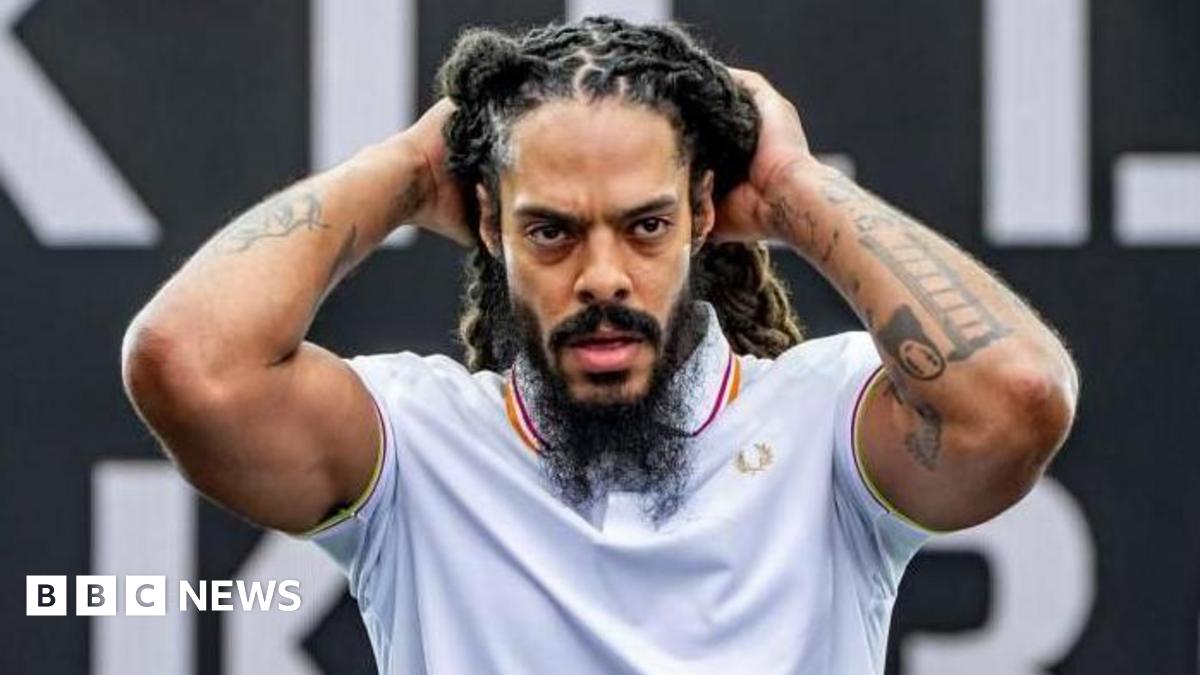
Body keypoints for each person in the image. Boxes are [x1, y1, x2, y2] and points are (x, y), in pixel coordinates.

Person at [121, 16, 1078, 675]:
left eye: (647, 225)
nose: (604, 277)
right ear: (489, 224)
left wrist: (793, 188)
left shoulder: (822, 425)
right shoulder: (418, 446)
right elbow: (188, 366)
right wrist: (412, 169)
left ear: (705, 213)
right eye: (553, 231)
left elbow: (1019, 399)